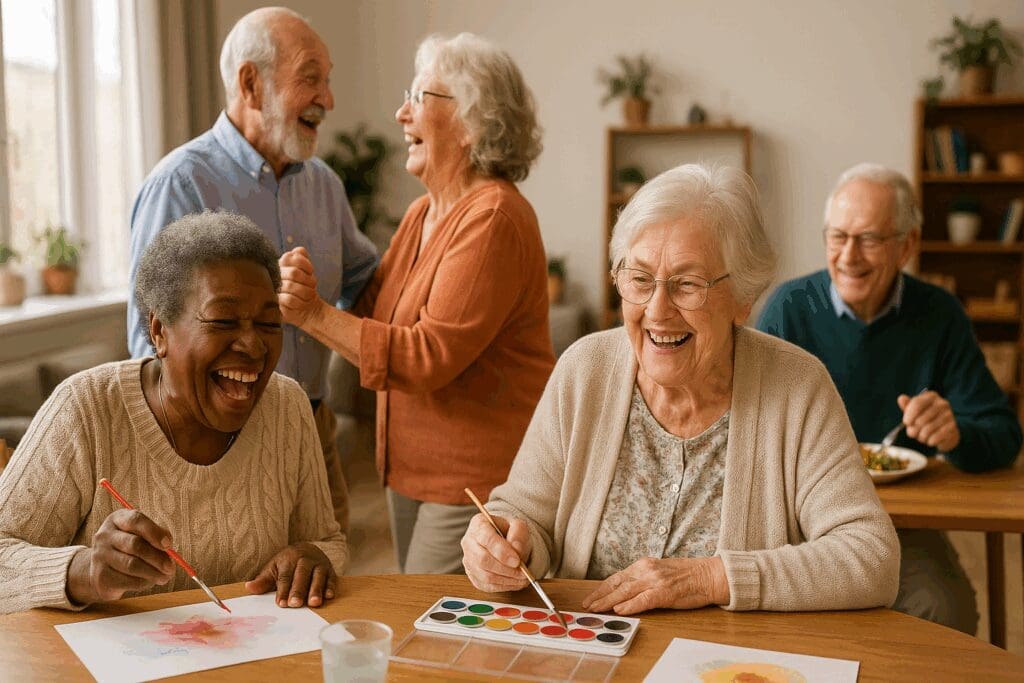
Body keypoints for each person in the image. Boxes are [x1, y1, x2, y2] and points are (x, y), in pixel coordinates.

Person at [461, 163, 899, 614]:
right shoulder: (584, 369)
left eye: (687, 284)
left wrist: (712, 578)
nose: (657, 310)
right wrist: (505, 544)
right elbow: (525, 514)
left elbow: (870, 556)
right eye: (640, 279)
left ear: (742, 299)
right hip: (589, 653)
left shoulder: (796, 388)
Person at [279, 33, 554, 574]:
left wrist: (311, 313)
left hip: (474, 483)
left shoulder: (493, 218)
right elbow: (373, 312)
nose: (402, 112)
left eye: (421, 97)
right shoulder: (421, 215)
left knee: (434, 633)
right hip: (410, 471)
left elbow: (425, 355)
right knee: (428, 628)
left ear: (474, 123)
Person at [0, 212, 346, 615]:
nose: (254, 346)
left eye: (270, 323)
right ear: (160, 331)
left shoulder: (288, 406)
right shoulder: (87, 408)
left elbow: (327, 541)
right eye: (223, 320)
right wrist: (85, 571)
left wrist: (312, 557)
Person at [127, 6, 378, 533]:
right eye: (311, 78)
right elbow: (145, 342)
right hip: (220, 441)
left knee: (326, 586)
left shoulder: (325, 185)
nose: (327, 101)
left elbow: (365, 281)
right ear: (250, 83)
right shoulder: (180, 184)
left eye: (327, 83)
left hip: (313, 427)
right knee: (236, 604)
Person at [757, 162, 1022, 634]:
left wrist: (956, 434)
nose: (849, 256)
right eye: (838, 236)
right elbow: (743, 427)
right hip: (797, 522)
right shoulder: (789, 309)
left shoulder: (939, 315)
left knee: (947, 611)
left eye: (870, 239)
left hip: (901, 523)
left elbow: (1003, 435)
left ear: (908, 245)